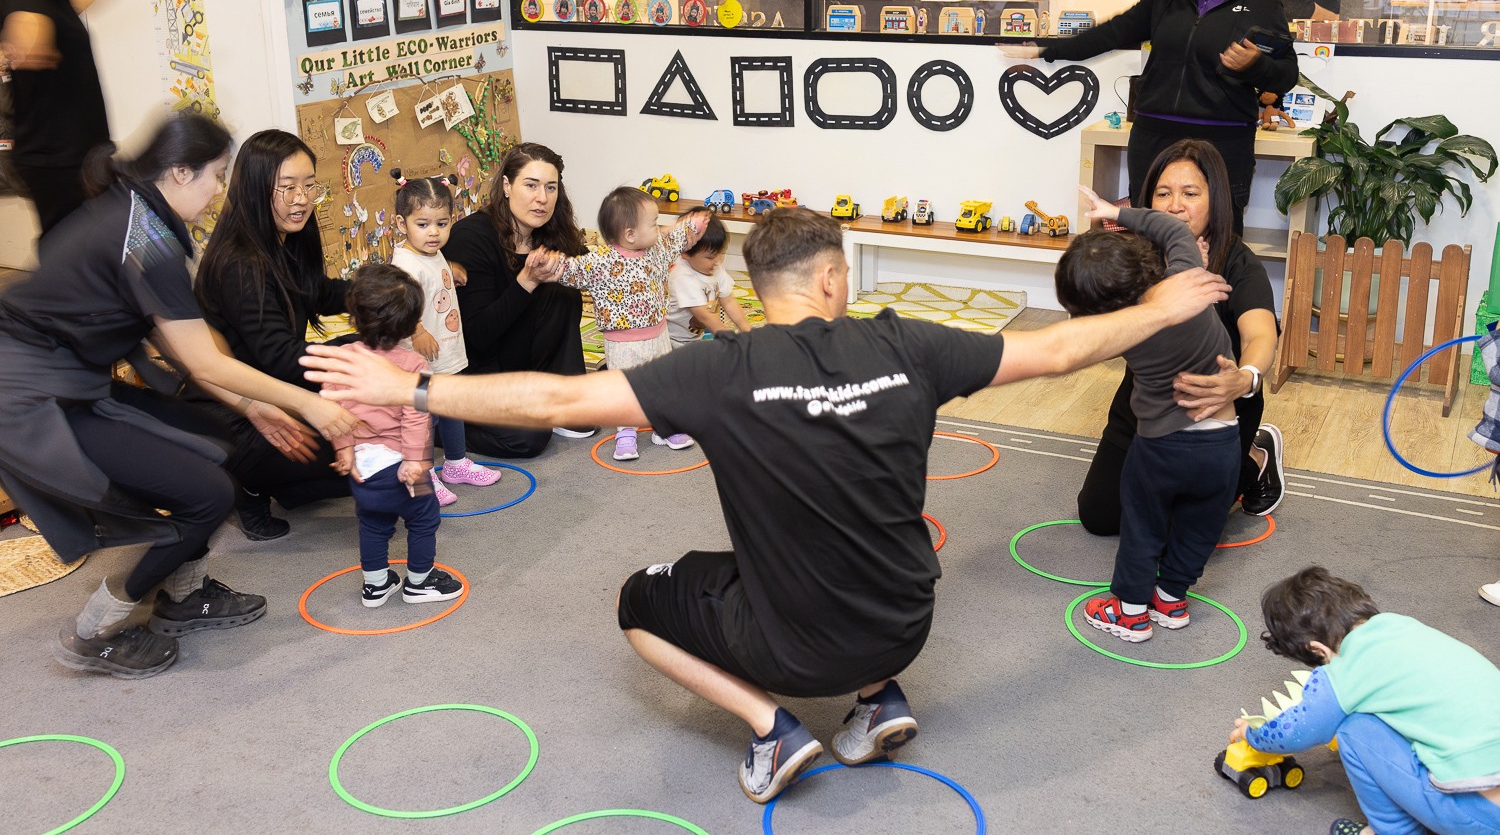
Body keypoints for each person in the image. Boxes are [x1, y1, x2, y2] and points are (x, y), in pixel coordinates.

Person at [303, 207, 1232, 804]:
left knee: (638, 601)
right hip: (907, 623)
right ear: (832, 281)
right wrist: (1162, 308)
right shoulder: (910, 346)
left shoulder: (719, 370)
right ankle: (875, 699)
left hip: (793, 653)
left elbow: (553, 399)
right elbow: (1060, 350)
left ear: (762, 286)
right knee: (817, 557)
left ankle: (773, 728)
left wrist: (409, 389)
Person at [0, 114, 361, 679]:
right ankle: (95, 631)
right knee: (208, 493)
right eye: (215, 175)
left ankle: (184, 595)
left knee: (216, 446)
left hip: (68, 383)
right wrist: (311, 405)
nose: (220, 190)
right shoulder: (146, 240)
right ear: (179, 172)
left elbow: (180, 346)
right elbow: (204, 361)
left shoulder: (138, 215)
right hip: (31, 398)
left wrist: (252, 408)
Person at [1000, 0, 1299, 234]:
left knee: (1216, 247)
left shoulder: (1261, 4)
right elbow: (1113, 32)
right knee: (1147, 244)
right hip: (1154, 139)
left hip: (1222, 145)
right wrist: (1047, 49)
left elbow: (1287, 74)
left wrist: (1255, 65)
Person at [1058, 188, 1240, 643]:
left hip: (1161, 445)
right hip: (1223, 440)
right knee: (1200, 524)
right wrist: (1114, 213)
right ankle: (1172, 599)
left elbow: (1078, 340)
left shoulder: (1122, 330)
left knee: (1143, 524)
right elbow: (1172, 227)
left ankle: (1130, 612)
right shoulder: (1186, 276)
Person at [1075, 140, 1283, 537]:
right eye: (1163, 194)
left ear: (1215, 200)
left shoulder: (1240, 262)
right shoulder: (1135, 258)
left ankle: (1255, 458)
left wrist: (1245, 378)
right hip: (1147, 401)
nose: (1175, 206)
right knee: (1099, 517)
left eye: (1190, 194)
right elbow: (1101, 328)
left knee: (1181, 532)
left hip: (1218, 404)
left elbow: (1260, 334)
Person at [1231, 567, 1500, 835]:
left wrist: (1253, 734)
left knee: (1354, 729)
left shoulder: (1347, 668)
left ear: (1318, 649)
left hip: (1483, 817)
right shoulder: (1401, 625)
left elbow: (1299, 730)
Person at [196, 130, 353, 540]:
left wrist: (380, 293)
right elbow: (281, 356)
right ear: (254, 188)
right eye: (287, 187)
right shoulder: (240, 263)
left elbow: (318, 292)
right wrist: (357, 351)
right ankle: (247, 484)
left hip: (276, 390)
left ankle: (284, 485)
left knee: (361, 452)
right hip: (235, 411)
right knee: (367, 436)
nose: (301, 199)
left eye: (309, 185)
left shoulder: (284, 240)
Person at [0, 0, 145, 235]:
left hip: (84, 157)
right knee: (73, 254)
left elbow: (72, 8)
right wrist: (21, 48)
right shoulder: (25, 0)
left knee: (105, 247)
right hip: (59, 166)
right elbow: (26, 31)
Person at [442, 142, 591, 458]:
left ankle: (559, 393)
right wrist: (526, 281)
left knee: (562, 289)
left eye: (551, 187)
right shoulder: (471, 238)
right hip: (474, 367)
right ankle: (440, 424)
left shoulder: (550, 232)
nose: (542, 198)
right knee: (529, 437)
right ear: (507, 186)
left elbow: (592, 265)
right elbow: (477, 337)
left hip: (517, 359)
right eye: (531, 185)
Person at [330, 264, 464, 608]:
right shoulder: (417, 367)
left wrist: (344, 449)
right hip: (404, 465)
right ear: (410, 322)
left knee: (373, 522)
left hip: (362, 466)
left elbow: (332, 410)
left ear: (353, 315)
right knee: (424, 517)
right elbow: (418, 418)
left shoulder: (342, 361)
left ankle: (376, 585)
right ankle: (419, 582)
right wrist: (416, 461)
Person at [549, 186, 705, 461]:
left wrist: (692, 225)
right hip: (623, 345)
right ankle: (626, 431)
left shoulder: (656, 251)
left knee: (663, 383)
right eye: (654, 224)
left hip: (659, 336)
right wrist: (551, 264)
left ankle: (664, 427)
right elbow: (575, 269)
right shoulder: (602, 261)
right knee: (626, 389)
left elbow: (675, 241)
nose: (659, 229)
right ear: (630, 234)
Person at [390, 176, 502, 504]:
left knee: (452, 407)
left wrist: (448, 267)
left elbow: (430, 271)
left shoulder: (432, 253)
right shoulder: (404, 265)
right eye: (422, 224)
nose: (434, 233)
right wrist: (417, 331)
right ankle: (423, 472)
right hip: (420, 361)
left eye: (442, 223)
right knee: (424, 417)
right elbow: (400, 305)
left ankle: (455, 462)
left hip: (446, 352)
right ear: (401, 224)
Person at [667, 214, 753, 345]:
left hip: (696, 336)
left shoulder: (714, 267)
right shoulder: (682, 277)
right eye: (710, 257)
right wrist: (731, 340)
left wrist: (748, 331)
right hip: (673, 340)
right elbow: (704, 316)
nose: (718, 260)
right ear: (685, 253)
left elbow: (728, 300)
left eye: (721, 253)